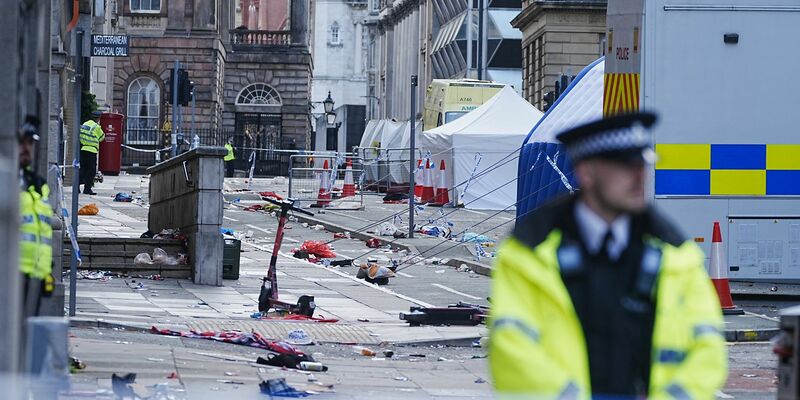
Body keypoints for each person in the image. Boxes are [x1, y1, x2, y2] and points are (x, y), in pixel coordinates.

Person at [488, 112, 726, 399]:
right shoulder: (527, 255)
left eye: (642, 164)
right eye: (624, 166)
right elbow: (511, 348)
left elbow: (707, 349)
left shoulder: (676, 256)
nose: (639, 176)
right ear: (586, 173)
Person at [18, 116, 54, 319]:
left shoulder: (38, 186)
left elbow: (43, 233)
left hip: (35, 279)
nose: (26, 148)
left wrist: (46, 272)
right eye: (21, 142)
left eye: (30, 143)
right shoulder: (8, 181)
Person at [79, 110, 105, 195]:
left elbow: (80, 135)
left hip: (83, 149)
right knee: (91, 171)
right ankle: (87, 189)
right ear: (98, 118)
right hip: (92, 150)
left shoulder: (85, 124)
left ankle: (77, 188)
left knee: (82, 169)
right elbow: (102, 137)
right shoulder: (96, 127)